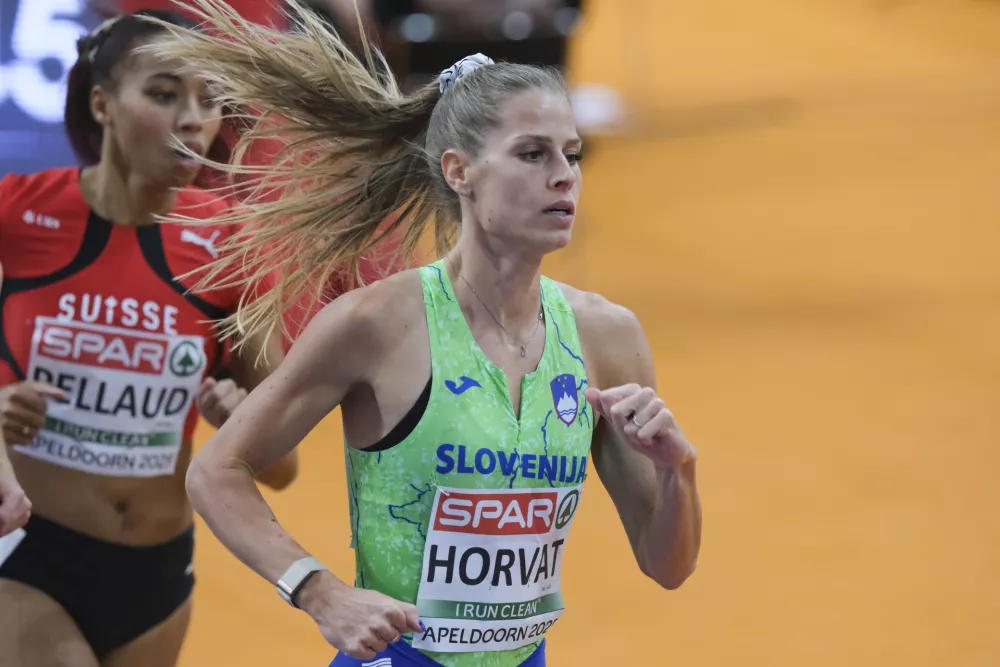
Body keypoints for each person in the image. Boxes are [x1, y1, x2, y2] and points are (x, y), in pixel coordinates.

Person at [153, 2, 702, 665]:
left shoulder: (606, 336)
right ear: (458, 171)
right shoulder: (376, 323)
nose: (564, 175)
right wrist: (319, 590)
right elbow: (217, 470)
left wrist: (676, 471)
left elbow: (667, 564)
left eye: (572, 154)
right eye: (532, 154)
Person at [0, 10, 299, 667]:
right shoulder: (18, 212)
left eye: (209, 101)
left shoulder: (234, 246)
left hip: (157, 572)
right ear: (102, 104)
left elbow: (283, 468)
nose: (192, 120)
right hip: (26, 550)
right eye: (164, 94)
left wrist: (239, 420)